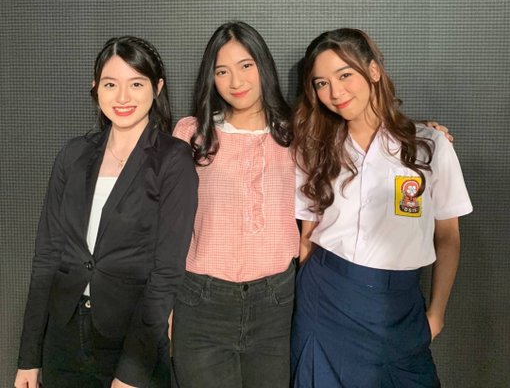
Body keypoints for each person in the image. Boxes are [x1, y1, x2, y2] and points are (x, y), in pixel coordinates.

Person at [291, 28, 472, 388]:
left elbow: (448, 237)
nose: (335, 92)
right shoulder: (314, 147)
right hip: (324, 298)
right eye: (322, 83)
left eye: (345, 75)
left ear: (373, 70)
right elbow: (306, 237)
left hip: (399, 305)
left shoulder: (429, 145)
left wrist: (436, 312)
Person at [15, 36, 198, 388]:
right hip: (64, 337)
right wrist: (29, 357)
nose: (122, 97)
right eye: (111, 84)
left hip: (131, 337)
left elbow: (166, 272)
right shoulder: (73, 154)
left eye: (136, 84)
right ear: (96, 87)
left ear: (157, 87)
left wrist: (132, 373)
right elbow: (47, 257)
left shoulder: (172, 160)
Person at [171, 22, 300, 388]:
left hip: (276, 303)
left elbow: (357, 130)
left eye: (246, 65)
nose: (235, 81)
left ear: (263, 66)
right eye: (222, 71)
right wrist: (163, 306)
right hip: (201, 300)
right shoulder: (192, 134)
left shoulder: (297, 133)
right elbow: (167, 225)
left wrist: (418, 129)